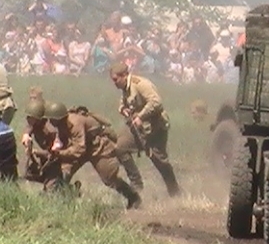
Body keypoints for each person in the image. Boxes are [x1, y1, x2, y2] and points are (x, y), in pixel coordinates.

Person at [43, 101, 142, 209]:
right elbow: (66, 142)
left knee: (109, 178)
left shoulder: (75, 123)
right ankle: (63, 198)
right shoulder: (61, 125)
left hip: (98, 147)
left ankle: (133, 197)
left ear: (59, 119)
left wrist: (60, 153)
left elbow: (79, 149)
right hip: (80, 147)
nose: (50, 122)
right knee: (63, 172)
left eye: (52, 120)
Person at [109, 62, 180, 197]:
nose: (114, 83)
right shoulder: (125, 87)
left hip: (155, 128)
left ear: (124, 75)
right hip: (137, 128)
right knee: (120, 147)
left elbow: (156, 102)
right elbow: (124, 103)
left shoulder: (140, 84)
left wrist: (141, 116)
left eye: (115, 79)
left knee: (159, 161)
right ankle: (136, 185)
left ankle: (174, 191)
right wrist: (123, 109)